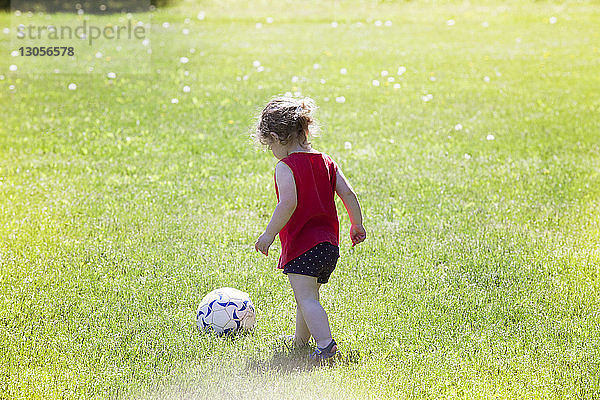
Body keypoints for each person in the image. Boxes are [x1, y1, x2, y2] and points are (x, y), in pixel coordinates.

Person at [253, 96, 366, 361]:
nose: (272, 151)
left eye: (269, 145)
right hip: (329, 246)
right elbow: (348, 193)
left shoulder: (286, 166)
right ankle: (300, 340)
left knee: (307, 299)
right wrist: (356, 224)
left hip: (303, 246)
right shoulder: (326, 161)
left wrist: (268, 234)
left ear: (275, 137)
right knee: (308, 296)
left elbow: (288, 203)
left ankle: (326, 346)